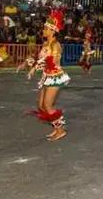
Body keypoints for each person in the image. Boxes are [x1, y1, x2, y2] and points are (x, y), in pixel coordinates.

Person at [27, 10, 70, 141]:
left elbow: (54, 63)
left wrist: (39, 63)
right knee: (41, 106)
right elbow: (42, 61)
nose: (43, 30)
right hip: (47, 76)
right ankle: (57, 128)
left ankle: (61, 130)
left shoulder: (55, 45)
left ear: (52, 30)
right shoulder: (46, 44)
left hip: (55, 77)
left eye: (46, 28)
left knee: (48, 106)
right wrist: (33, 65)